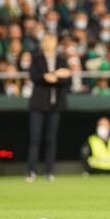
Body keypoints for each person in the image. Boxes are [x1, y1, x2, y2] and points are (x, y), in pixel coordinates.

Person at [26, 33, 71, 182]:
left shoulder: (62, 59)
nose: (48, 42)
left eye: (51, 40)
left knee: (51, 139)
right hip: (39, 104)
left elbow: (66, 78)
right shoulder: (37, 59)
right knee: (35, 138)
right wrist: (49, 76)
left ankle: (49, 172)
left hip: (55, 105)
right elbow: (35, 77)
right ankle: (31, 171)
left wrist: (54, 76)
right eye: (46, 40)